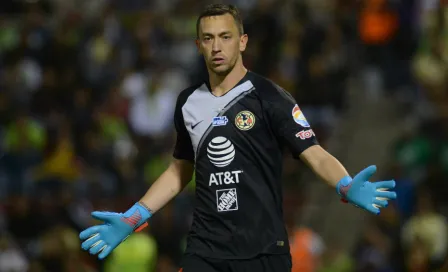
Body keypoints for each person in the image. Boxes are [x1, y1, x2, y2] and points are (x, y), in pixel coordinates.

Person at [79, 4, 397, 272]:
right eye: (208, 38)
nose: (217, 46)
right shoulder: (188, 102)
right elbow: (179, 170)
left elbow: (314, 153)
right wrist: (134, 216)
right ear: (198, 45)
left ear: (242, 42)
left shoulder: (271, 97)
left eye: (225, 37)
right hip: (206, 249)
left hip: (263, 251)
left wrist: (344, 183)